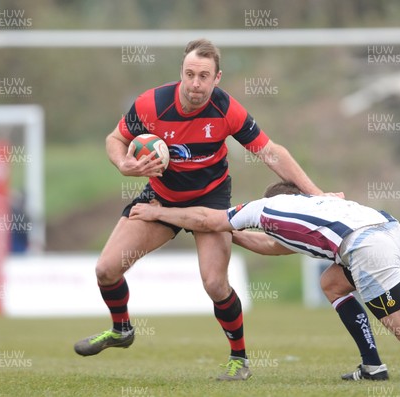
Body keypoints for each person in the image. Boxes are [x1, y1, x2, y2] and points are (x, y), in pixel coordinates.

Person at [73, 39, 324, 381]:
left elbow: (271, 153)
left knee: (215, 283)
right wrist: (123, 164)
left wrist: (317, 195)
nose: (195, 83)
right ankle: (121, 330)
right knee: (105, 270)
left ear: (216, 78)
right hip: (161, 198)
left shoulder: (226, 110)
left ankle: (239, 360)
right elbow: (114, 139)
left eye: (203, 76)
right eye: (189, 74)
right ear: (181, 73)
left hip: (211, 200)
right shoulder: (152, 105)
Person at [128, 181, 400, 382]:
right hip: (391, 233)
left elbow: (207, 217)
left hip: (367, 251)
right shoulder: (317, 205)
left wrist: (159, 212)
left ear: (275, 197)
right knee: (332, 282)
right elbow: (271, 246)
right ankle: (372, 366)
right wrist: (230, 235)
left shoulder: (265, 206)